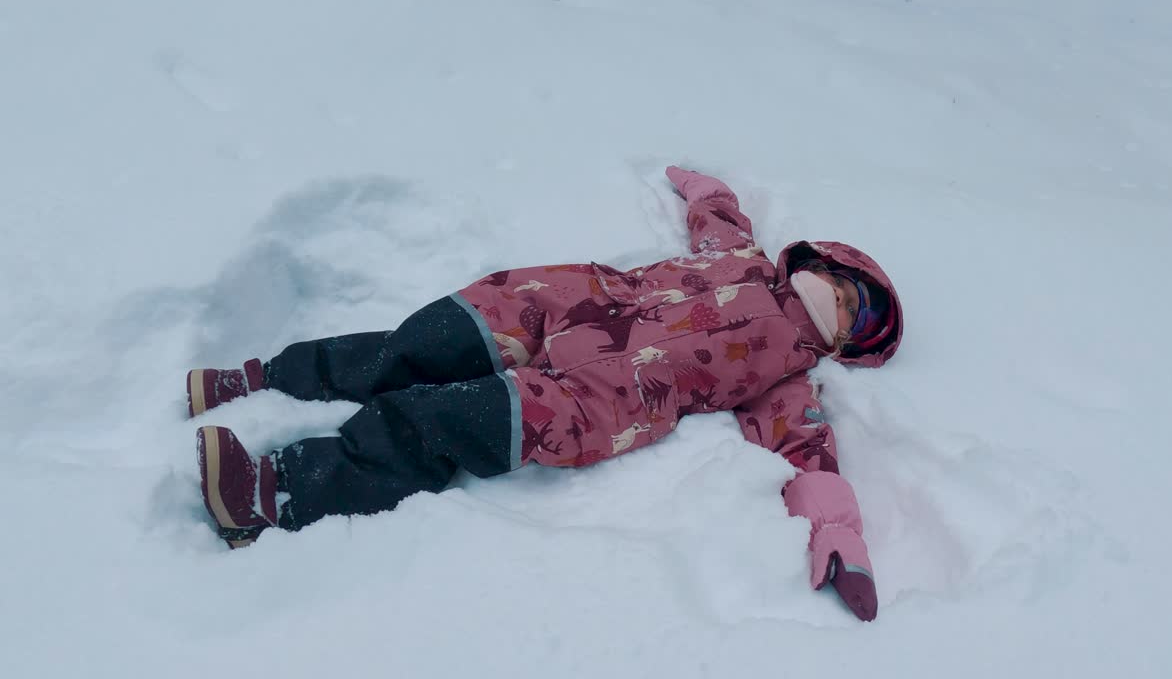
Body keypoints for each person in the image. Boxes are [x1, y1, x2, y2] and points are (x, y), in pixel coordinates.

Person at [187, 166, 903, 620]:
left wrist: (841, 539)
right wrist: (708, 192)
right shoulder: (738, 256)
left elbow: (810, 457)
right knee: (412, 347)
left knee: (438, 422)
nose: (844, 304)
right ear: (824, 262)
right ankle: (262, 380)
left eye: (859, 317)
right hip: (559, 303)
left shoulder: (786, 381)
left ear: (850, 346)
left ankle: (273, 496)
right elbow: (720, 219)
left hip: (603, 400)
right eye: (848, 288)